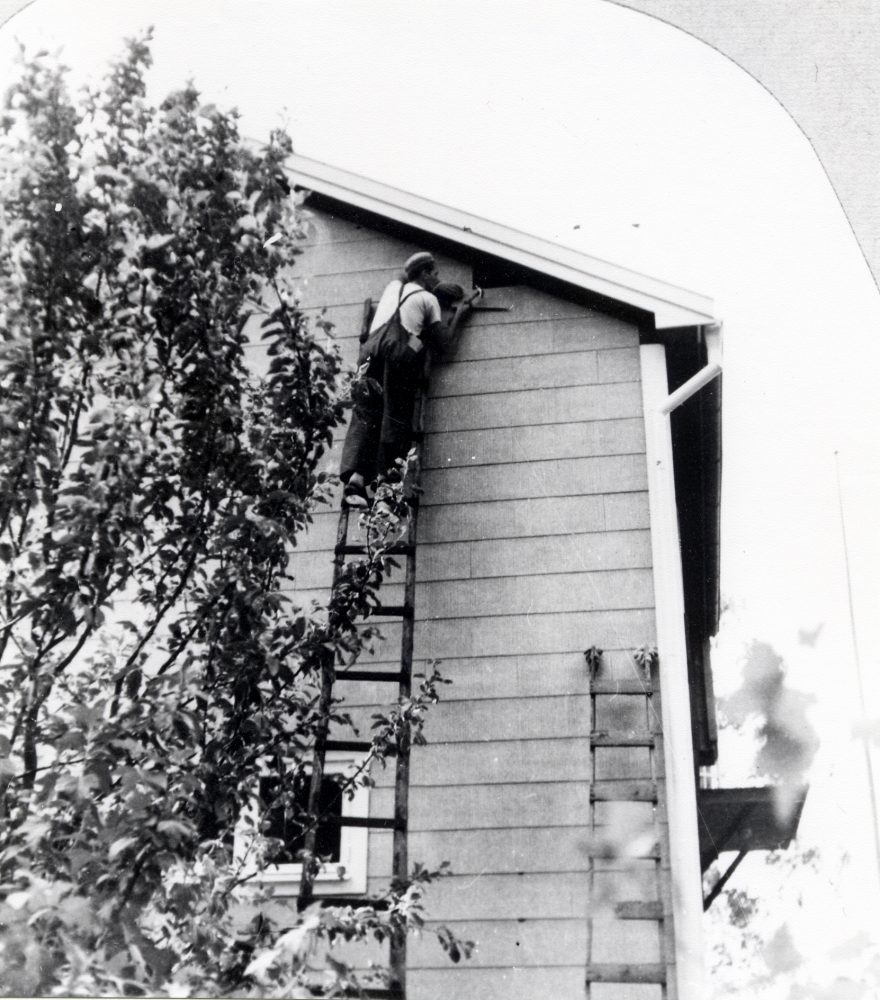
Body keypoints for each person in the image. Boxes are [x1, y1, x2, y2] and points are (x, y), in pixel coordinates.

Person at [339, 252, 478, 506]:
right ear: (424, 274)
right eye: (435, 273)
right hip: (397, 355)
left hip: (369, 353)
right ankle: (384, 493)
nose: (438, 278)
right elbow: (444, 343)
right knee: (394, 417)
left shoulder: (394, 287)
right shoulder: (428, 300)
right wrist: (463, 311)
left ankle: (354, 486)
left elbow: (405, 272)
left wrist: (432, 283)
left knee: (366, 414)